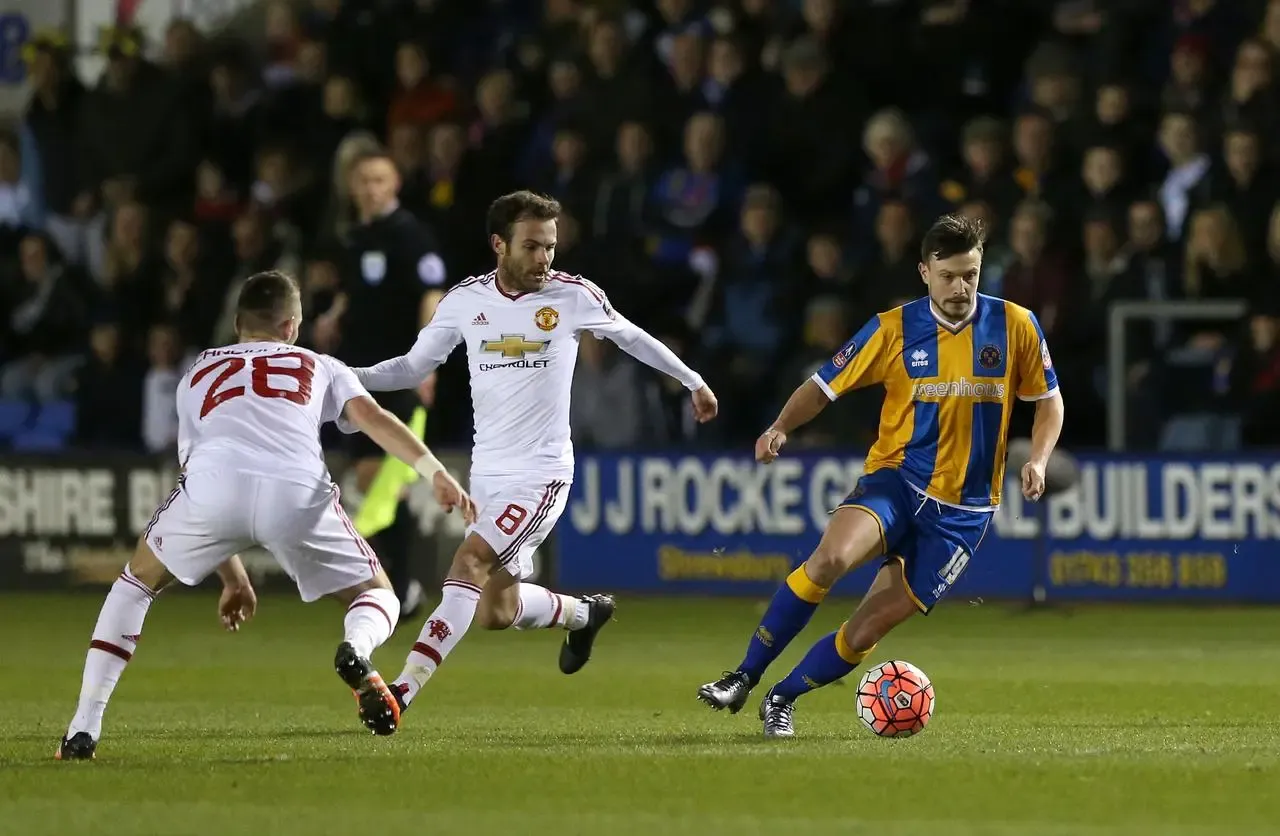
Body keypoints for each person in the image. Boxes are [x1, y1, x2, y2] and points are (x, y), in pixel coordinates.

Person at [56, 271, 477, 761]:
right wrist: (434, 471)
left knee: (135, 583)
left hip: (214, 492)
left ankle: (83, 727)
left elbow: (199, 471)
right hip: (294, 492)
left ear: (237, 323)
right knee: (375, 593)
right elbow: (374, 420)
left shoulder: (198, 370)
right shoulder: (319, 363)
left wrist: (231, 573)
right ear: (292, 326)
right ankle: (357, 650)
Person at [352, 190, 718, 725]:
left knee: (468, 564)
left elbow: (633, 339)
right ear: (499, 245)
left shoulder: (574, 296)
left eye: (550, 246)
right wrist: (346, 377)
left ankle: (400, 692)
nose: (544, 258)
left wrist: (692, 380)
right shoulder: (464, 301)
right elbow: (411, 368)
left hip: (542, 475)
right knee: (495, 612)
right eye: (532, 246)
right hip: (488, 475)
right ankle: (584, 612)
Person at [696, 214, 1065, 738]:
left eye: (972, 275)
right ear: (924, 272)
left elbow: (1049, 403)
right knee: (830, 559)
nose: (961, 287)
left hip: (966, 514)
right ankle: (743, 675)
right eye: (949, 276)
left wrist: (1039, 459)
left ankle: (783, 696)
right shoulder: (893, 328)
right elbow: (825, 385)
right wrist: (780, 426)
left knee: (869, 625)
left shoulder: (1016, 325)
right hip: (898, 481)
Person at [313, 149, 450, 618]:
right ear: (353, 188)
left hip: (397, 373)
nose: (371, 188)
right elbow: (357, 291)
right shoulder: (356, 238)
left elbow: (432, 294)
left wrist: (427, 364)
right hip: (358, 374)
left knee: (389, 480)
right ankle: (396, 583)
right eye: (363, 180)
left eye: (379, 179)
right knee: (374, 478)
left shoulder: (409, 234)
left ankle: (406, 586)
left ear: (394, 185)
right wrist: (334, 316)